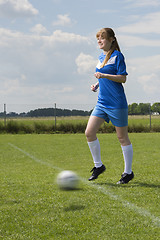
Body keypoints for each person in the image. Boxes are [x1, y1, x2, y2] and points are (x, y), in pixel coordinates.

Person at [85, 28, 134, 184]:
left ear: (112, 39)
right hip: (101, 103)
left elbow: (122, 78)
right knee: (89, 133)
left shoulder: (118, 56)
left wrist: (104, 75)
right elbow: (103, 77)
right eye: (98, 38)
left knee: (122, 137)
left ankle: (128, 172)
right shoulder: (101, 57)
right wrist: (97, 85)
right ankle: (98, 166)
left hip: (116, 103)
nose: (99, 41)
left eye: (103, 38)